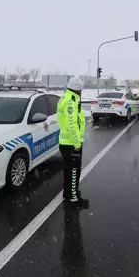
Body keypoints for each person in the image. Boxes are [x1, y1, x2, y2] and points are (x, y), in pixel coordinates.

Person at [57, 76, 89, 209]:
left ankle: (68, 192)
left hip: (65, 142)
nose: (81, 92)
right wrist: (77, 143)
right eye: (81, 89)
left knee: (68, 170)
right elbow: (72, 124)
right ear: (77, 89)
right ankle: (74, 199)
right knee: (74, 171)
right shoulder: (71, 102)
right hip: (71, 143)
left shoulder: (65, 97)